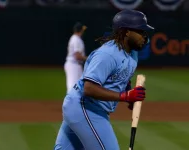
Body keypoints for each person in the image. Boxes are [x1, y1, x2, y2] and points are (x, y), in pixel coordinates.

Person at [54, 9, 154, 150]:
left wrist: (129, 93)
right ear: (126, 32)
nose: (145, 36)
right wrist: (125, 96)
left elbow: (121, 78)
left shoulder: (133, 54)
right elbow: (89, 88)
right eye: (141, 31)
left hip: (83, 108)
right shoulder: (107, 55)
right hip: (85, 107)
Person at [64, 22, 88, 93]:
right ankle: (69, 103)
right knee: (72, 86)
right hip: (74, 65)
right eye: (82, 29)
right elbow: (77, 56)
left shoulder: (74, 38)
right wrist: (89, 58)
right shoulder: (76, 40)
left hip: (75, 65)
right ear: (80, 30)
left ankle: (76, 102)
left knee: (79, 86)